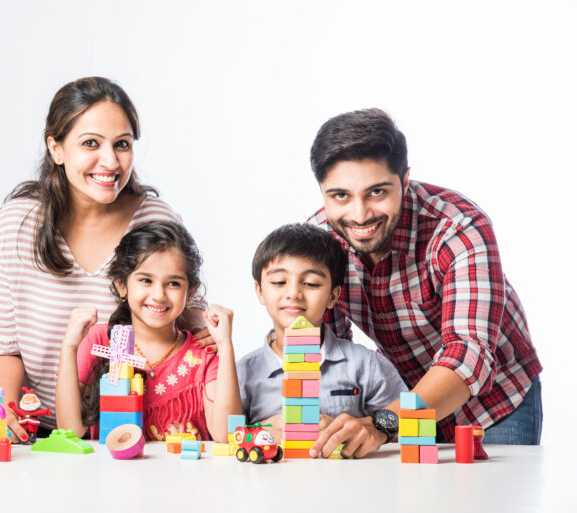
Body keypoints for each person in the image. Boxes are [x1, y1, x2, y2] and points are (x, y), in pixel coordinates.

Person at [0, 77, 210, 443]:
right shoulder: (16, 225)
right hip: (38, 432)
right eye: (91, 143)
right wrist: (6, 415)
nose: (110, 161)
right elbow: (4, 347)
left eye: (122, 145)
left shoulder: (155, 220)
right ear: (56, 148)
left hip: (132, 432)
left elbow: (196, 330)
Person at [305, 108, 542, 458]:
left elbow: (468, 355)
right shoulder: (320, 241)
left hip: (493, 402)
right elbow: (328, 345)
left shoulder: (458, 227)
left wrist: (382, 423)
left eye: (377, 192)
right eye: (340, 195)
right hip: (400, 405)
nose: (359, 215)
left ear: (405, 179)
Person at [56, 221, 242, 442]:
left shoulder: (203, 353)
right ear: (121, 284)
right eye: (145, 280)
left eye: (173, 283)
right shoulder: (99, 341)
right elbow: (70, 431)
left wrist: (226, 346)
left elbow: (227, 435)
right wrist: (69, 347)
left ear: (190, 292)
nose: (158, 295)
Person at [237, 223, 406, 443]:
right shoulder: (243, 373)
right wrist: (257, 431)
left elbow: (406, 425)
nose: (294, 293)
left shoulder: (366, 365)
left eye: (310, 283)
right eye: (279, 282)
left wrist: (371, 429)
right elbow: (225, 436)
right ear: (260, 291)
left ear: (333, 296)